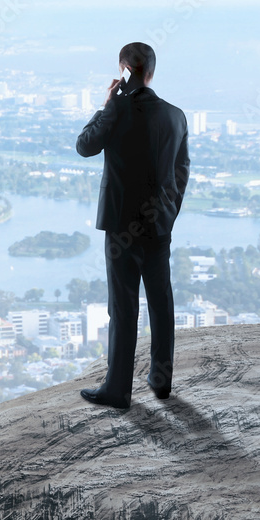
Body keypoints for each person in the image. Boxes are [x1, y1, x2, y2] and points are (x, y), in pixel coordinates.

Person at [74, 42, 190, 409]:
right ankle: (161, 382)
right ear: (151, 72)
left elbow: (84, 145)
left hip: (121, 226)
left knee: (123, 307)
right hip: (159, 226)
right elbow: (182, 170)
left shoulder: (116, 111)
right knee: (161, 302)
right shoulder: (176, 115)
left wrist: (108, 104)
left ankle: (118, 390)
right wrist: (169, 212)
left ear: (123, 70)